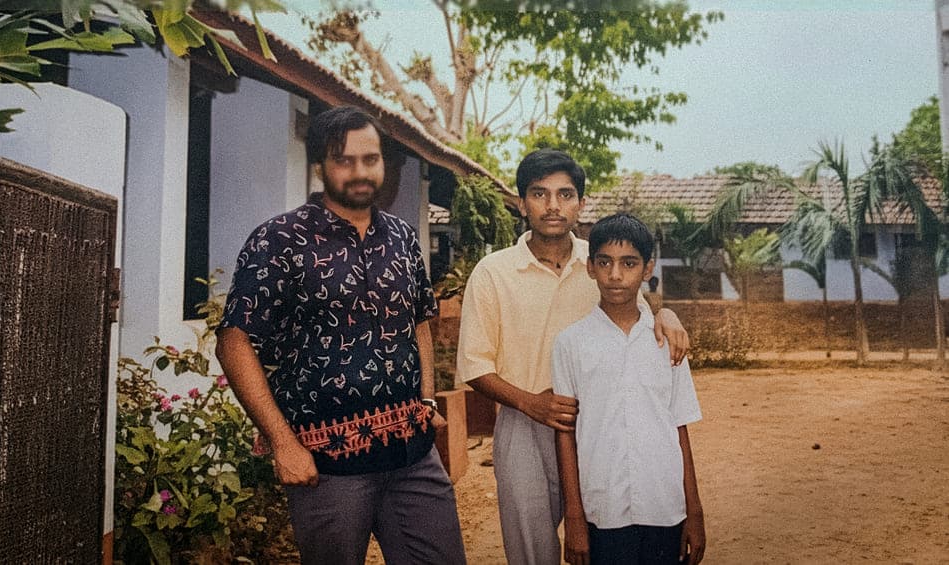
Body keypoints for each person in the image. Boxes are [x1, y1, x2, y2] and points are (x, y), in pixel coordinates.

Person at [216, 105, 466, 565]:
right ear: (320, 166)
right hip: (327, 468)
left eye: (370, 159)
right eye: (343, 160)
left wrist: (427, 399)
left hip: (413, 458)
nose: (359, 172)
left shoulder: (403, 238)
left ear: (384, 164)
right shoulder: (279, 240)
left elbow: (420, 319)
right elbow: (234, 342)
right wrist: (283, 442)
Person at [456, 148, 690, 565]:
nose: (552, 206)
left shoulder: (600, 260)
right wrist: (533, 403)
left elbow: (640, 315)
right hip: (526, 423)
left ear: (581, 202)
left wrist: (667, 313)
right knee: (533, 552)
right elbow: (474, 366)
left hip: (604, 424)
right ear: (521, 201)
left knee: (604, 542)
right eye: (539, 194)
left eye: (565, 194)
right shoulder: (493, 272)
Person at [553, 213, 704, 565]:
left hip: (665, 507)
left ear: (647, 268)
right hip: (602, 511)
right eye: (605, 262)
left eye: (629, 263)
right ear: (590, 267)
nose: (616, 275)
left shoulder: (668, 342)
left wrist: (693, 511)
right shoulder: (570, 343)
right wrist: (574, 517)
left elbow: (679, 427)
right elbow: (565, 434)